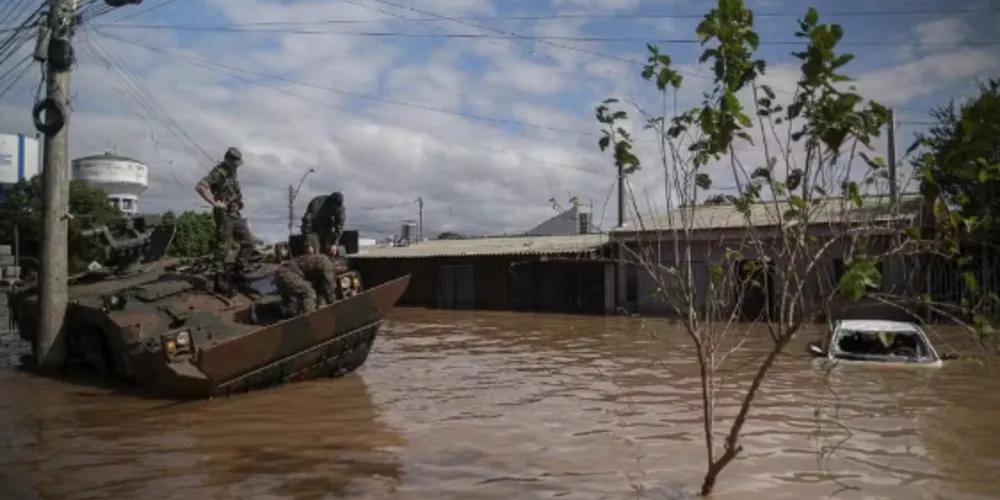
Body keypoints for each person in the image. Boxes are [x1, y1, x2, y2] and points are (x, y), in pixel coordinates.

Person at [195, 147, 256, 294]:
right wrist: (215, 203)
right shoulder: (219, 173)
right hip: (224, 215)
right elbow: (201, 187)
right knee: (223, 248)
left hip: (235, 214)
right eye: (235, 162)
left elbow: (233, 190)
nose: (237, 166)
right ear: (228, 160)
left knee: (249, 242)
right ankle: (219, 279)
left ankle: (238, 271)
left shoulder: (232, 173)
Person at [273, 243, 339, 316]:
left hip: (284, 275)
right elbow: (330, 287)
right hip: (287, 273)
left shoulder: (322, 261)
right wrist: (335, 305)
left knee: (295, 303)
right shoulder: (328, 265)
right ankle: (310, 320)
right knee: (309, 293)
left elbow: (322, 287)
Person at [300, 191, 346, 256]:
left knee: (335, 251)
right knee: (314, 254)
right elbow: (306, 225)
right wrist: (308, 245)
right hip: (313, 230)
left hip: (327, 229)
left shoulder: (340, 209)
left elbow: (339, 226)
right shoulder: (316, 205)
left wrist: (334, 244)